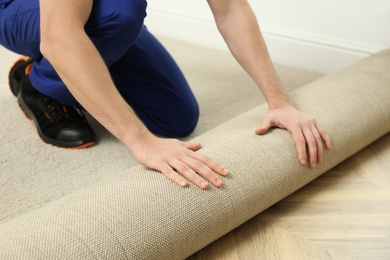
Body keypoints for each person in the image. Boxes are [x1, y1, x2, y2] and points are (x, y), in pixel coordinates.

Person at [0, 0, 332, 189]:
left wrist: (280, 102)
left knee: (174, 118)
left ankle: (94, 47)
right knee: (119, 13)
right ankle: (39, 82)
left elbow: (230, 8)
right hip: (19, 9)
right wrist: (141, 142)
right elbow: (60, 34)